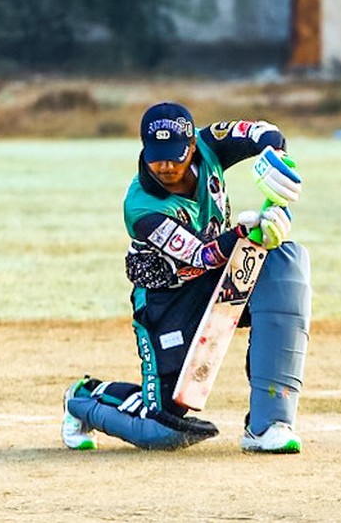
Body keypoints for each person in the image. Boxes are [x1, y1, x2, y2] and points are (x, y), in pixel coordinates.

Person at [62, 101, 312, 452]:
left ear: (192, 145)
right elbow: (201, 255)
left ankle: (269, 425)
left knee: (285, 263)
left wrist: (276, 159)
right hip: (166, 300)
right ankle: (84, 398)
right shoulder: (141, 206)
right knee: (160, 426)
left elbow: (264, 132)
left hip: (218, 278)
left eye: (175, 157)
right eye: (157, 157)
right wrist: (248, 231)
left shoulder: (210, 144)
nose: (165, 166)